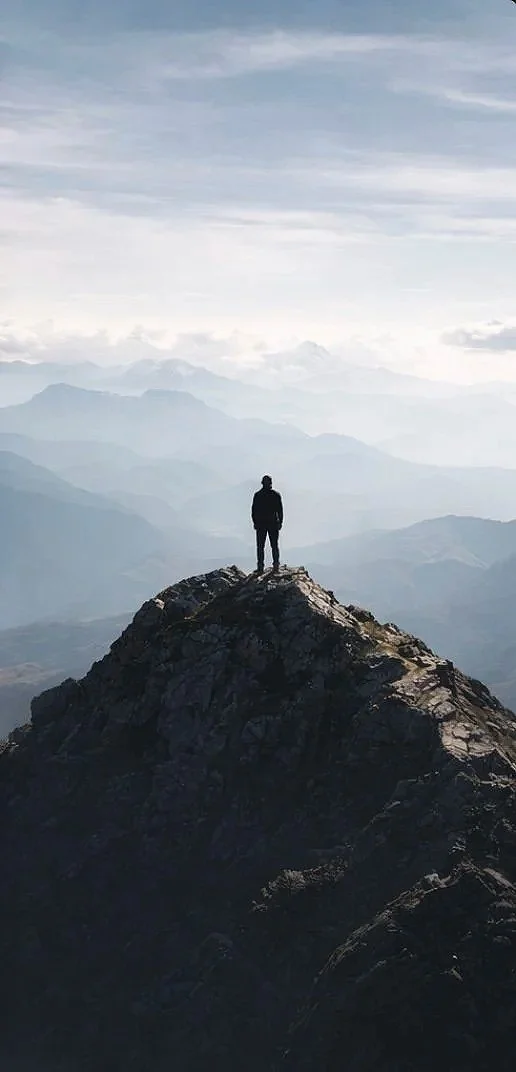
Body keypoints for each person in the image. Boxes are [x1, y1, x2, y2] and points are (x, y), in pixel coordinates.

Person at [251, 475, 283, 573]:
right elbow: (280, 510)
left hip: (261, 524)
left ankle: (260, 567)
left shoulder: (258, 495)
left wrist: (255, 523)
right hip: (273, 523)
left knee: (260, 546)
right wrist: (280, 522)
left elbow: (253, 511)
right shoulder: (276, 495)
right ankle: (276, 566)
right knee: (274, 545)